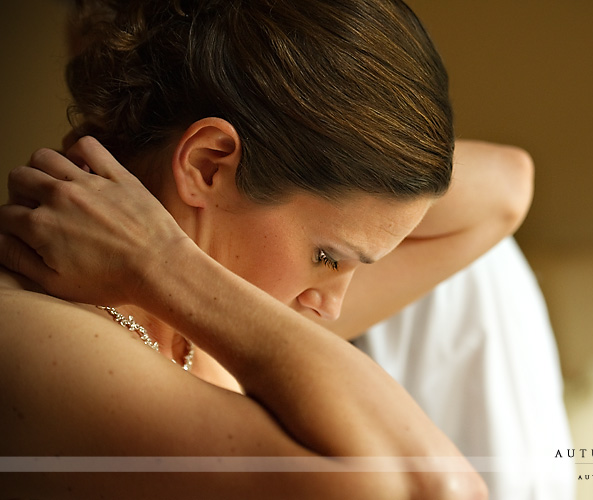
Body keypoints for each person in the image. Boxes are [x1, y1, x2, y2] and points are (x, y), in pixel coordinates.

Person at [0, 0, 534, 498]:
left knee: (493, 268)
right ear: (208, 164)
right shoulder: (30, 335)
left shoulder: (201, 307)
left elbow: (507, 188)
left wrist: (161, 261)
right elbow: (429, 486)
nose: (331, 306)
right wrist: (163, 262)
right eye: (328, 258)